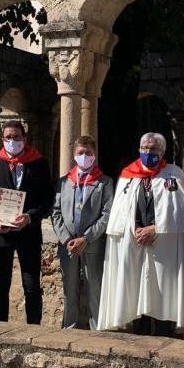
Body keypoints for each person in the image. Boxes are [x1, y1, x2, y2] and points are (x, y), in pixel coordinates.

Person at [98, 132, 184, 335]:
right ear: (139, 149)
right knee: (136, 290)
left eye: (154, 149)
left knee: (162, 292)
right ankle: (139, 330)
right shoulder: (128, 175)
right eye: (145, 148)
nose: (149, 152)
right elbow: (121, 212)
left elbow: (182, 211)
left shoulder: (173, 174)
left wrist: (157, 228)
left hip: (163, 245)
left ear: (162, 151)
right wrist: (134, 230)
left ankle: (164, 332)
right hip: (134, 243)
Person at [0, 120, 54, 324]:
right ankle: (0, 329)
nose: (12, 141)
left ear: (24, 139)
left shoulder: (38, 163)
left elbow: (47, 200)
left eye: (16, 137)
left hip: (28, 233)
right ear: (2, 139)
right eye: (8, 137)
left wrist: (29, 217)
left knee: (31, 286)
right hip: (0, 234)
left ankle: (34, 330)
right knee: (1, 285)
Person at [51, 136, 115, 329]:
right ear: (74, 155)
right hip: (68, 245)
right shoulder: (64, 182)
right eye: (80, 153)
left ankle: (98, 329)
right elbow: (55, 212)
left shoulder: (104, 182)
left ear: (94, 155)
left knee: (94, 289)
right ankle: (69, 327)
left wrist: (86, 238)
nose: (84, 156)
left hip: (92, 244)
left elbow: (107, 214)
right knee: (69, 291)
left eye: (88, 153)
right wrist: (67, 239)